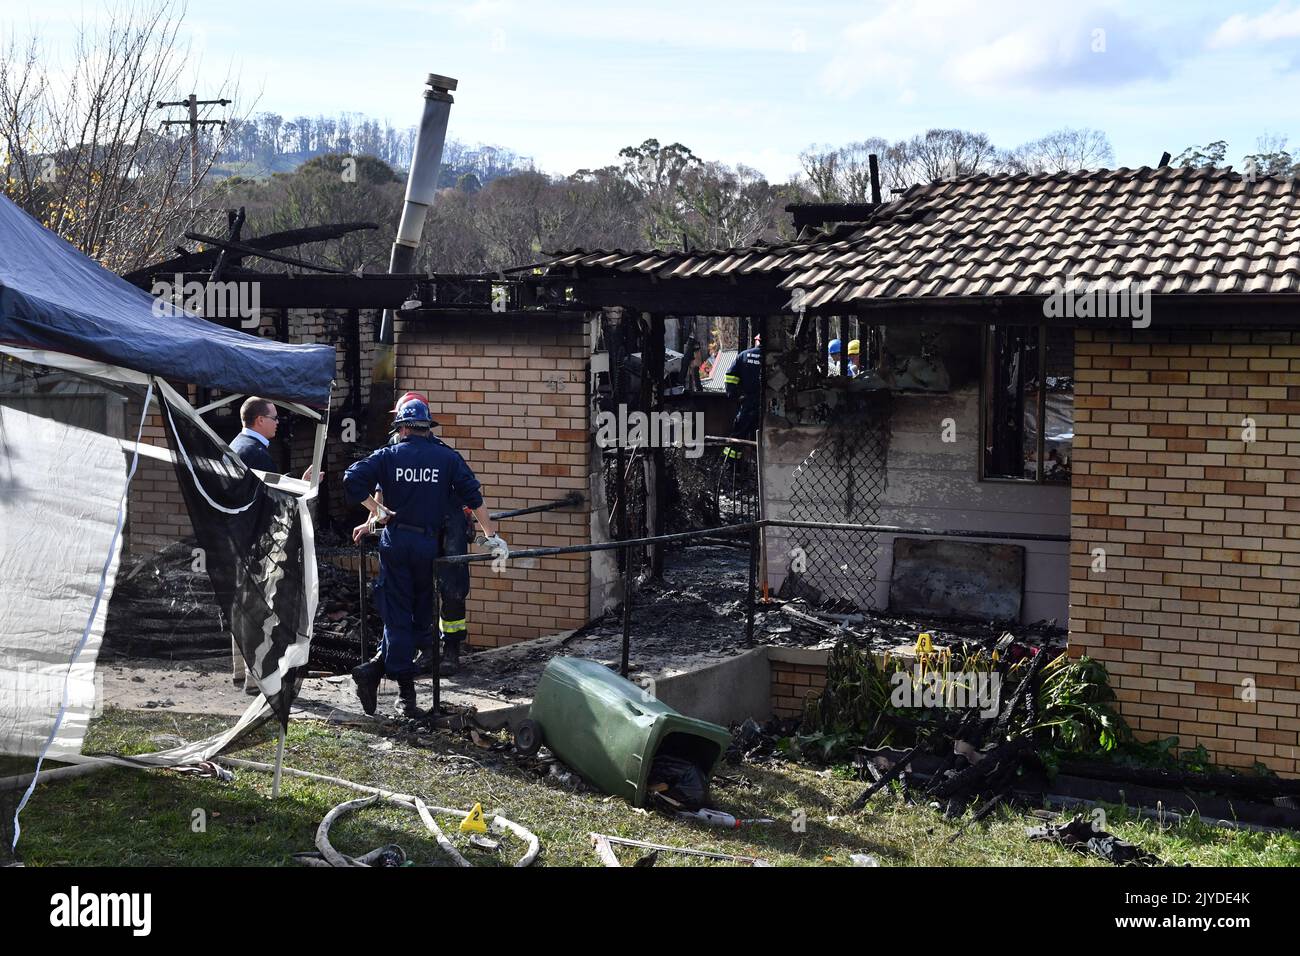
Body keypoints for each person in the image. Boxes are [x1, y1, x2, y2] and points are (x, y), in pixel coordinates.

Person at [343, 399, 506, 718]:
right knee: (419, 614)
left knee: (398, 617)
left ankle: (391, 683)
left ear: (403, 428)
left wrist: (376, 512)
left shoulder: (388, 455)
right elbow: (474, 498)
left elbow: (352, 479)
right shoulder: (446, 457)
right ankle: (399, 690)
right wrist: (492, 537)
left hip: (396, 542)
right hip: (427, 545)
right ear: (427, 427)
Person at [722, 337, 762, 462]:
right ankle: (758, 466)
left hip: (747, 404)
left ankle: (731, 466)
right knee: (762, 437)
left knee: (737, 437)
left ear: (757, 341)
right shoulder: (773, 357)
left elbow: (730, 377)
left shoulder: (744, 355)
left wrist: (734, 395)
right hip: (767, 405)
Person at [231, 397, 279, 472]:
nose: (277, 422)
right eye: (275, 418)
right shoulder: (259, 455)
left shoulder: (234, 444)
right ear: (261, 420)